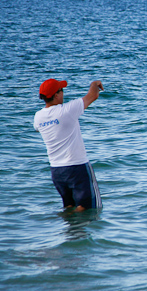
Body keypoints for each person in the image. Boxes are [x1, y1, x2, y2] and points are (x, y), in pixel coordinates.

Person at [34, 78, 104, 212]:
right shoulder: (67, 110)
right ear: (56, 95)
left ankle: (68, 231)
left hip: (57, 171)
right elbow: (93, 95)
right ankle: (84, 232)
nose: (63, 93)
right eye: (61, 90)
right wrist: (94, 83)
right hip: (77, 167)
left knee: (68, 207)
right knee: (90, 209)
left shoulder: (38, 117)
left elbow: (38, 128)